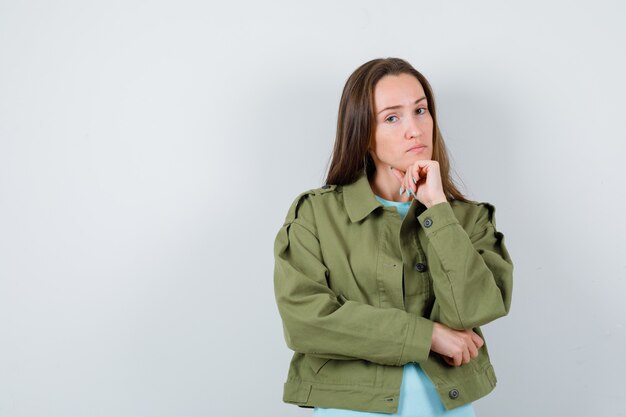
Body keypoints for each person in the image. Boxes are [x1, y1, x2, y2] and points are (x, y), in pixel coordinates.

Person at [272, 57, 514, 416]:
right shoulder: (315, 215)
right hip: (350, 409)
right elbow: (305, 321)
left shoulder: (466, 218)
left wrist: (436, 208)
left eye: (421, 110)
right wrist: (428, 335)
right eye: (392, 117)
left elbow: (475, 310)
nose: (415, 130)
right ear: (363, 132)